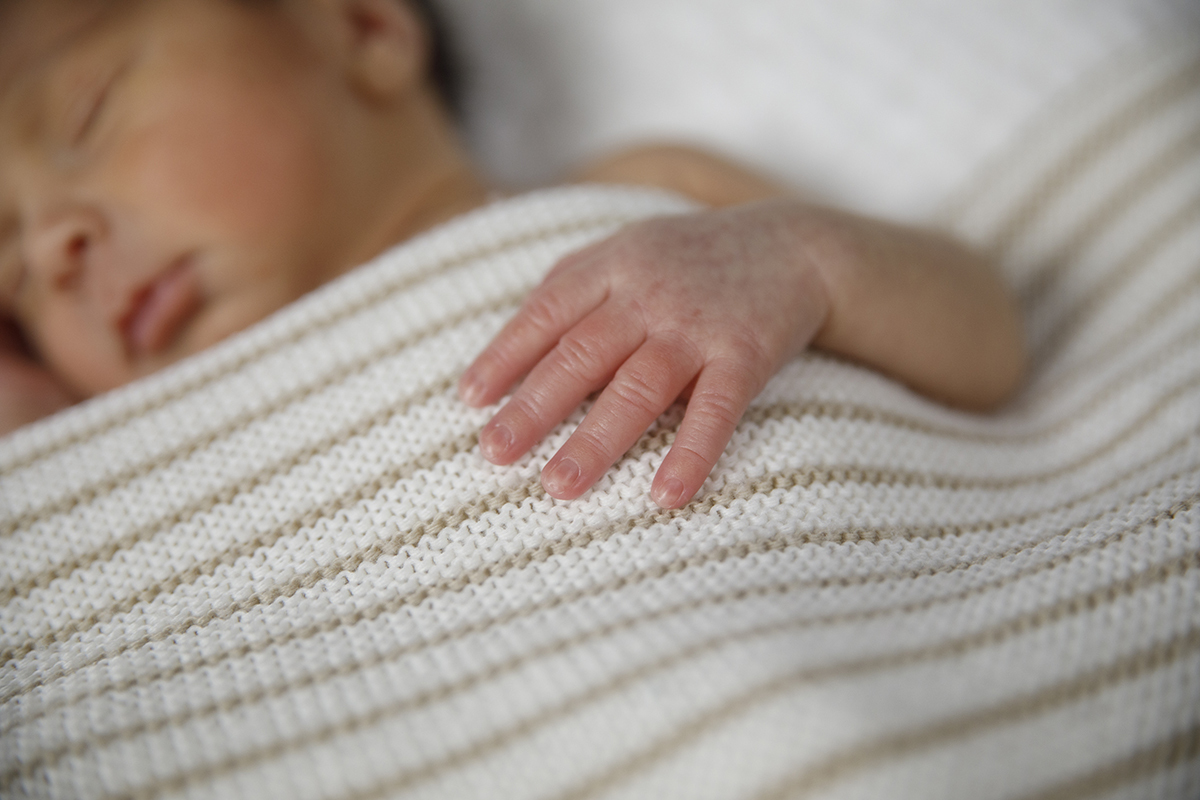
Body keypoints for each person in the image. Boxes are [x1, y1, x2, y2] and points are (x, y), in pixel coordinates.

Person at [0, 0, 1026, 508]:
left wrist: (801, 261)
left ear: (358, 25)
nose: (53, 247)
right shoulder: (150, 448)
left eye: (85, 115)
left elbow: (990, 339)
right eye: (8, 270)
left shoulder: (639, 202)